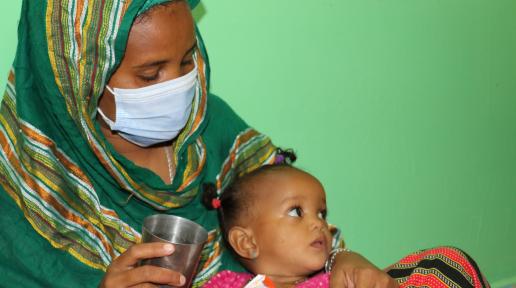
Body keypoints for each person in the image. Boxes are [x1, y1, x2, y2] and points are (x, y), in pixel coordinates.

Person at [0, 0, 489, 287]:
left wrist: (341, 260)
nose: (178, 86)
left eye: (188, 60)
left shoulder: (209, 123)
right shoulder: (23, 185)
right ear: (76, 80)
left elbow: (289, 212)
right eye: (150, 74)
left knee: (446, 267)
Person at [201, 155, 490, 288]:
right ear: (246, 242)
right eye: (296, 212)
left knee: (442, 262)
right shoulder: (225, 284)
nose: (320, 225)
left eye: (322, 213)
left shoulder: (336, 281)